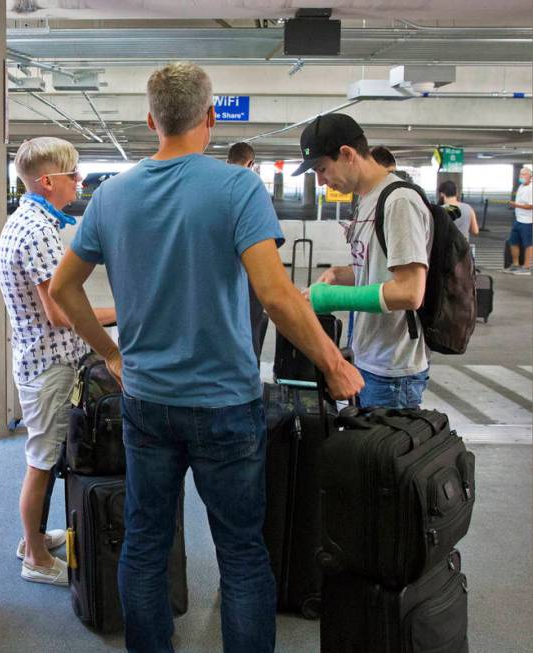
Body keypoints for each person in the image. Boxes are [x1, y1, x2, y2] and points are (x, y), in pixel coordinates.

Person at [49, 63, 362, 653]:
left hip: (146, 401)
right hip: (224, 403)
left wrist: (110, 352)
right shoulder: (236, 188)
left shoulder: (111, 195)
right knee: (242, 552)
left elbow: (64, 291)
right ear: (211, 119)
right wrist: (333, 363)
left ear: (151, 121)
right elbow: (275, 294)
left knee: (144, 542)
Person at [0, 137, 116, 586]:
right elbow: (61, 312)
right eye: (73, 175)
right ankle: (35, 560)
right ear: (47, 182)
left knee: (43, 457)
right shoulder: (38, 232)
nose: (79, 182)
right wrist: (118, 321)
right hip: (48, 369)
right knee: (42, 462)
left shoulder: (26, 220)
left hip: (38, 361)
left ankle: (35, 540)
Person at [297, 114, 433, 409]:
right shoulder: (366, 199)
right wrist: (338, 275)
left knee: (380, 455)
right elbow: (378, 269)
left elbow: (410, 292)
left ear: (347, 154)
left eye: (322, 169)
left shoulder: (398, 201)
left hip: (392, 372)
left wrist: (331, 297)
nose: (320, 181)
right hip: (368, 359)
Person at [227, 141, 266, 365]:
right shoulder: (252, 184)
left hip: (216, 273)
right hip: (248, 271)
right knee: (250, 328)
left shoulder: (213, 183)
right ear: (251, 162)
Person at [506, 167, 532, 274]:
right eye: (520, 174)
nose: (521, 176)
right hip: (518, 220)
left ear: (530, 176)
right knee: (513, 242)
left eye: (524, 174)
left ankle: (526, 267)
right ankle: (515, 265)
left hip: (528, 221)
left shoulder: (531, 188)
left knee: (528, 244)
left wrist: (515, 205)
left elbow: (531, 206)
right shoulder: (521, 186)